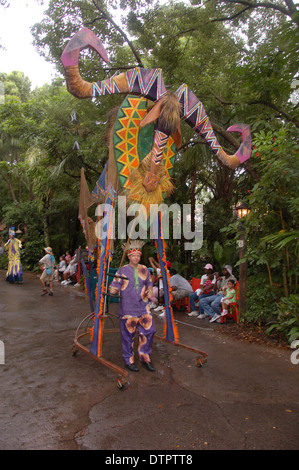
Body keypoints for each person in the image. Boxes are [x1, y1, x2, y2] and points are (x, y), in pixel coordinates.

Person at [109, 240, 156, 373]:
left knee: (149, 331)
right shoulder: (122, 270)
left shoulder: (144, 269)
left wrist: (150, 290)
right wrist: (112, 289)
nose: (136, 258)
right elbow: (115, 286)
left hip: (143, 306)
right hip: (128, 308)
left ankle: (145, 357)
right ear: (129, 256)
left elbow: (149, 283)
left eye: (138, 255)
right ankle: (128, 361)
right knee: (127, 336)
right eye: (134, 255)